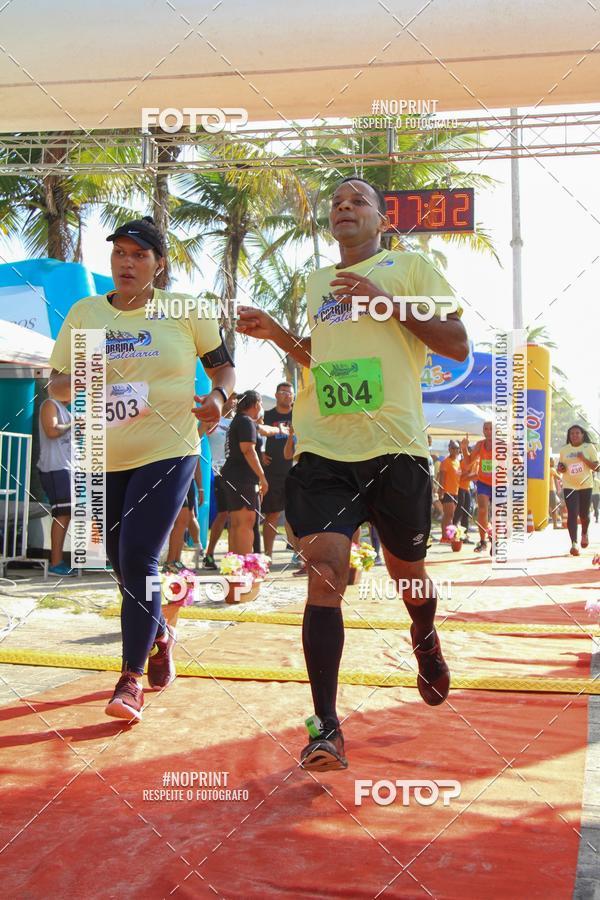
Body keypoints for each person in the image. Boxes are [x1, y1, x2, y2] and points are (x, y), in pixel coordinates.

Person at [238, 176, 468, 771]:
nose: (344, 207)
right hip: (325, 449)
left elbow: (457, 344)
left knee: (407, 573)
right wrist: (279, 334)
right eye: (337, 202)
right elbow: (324, 361)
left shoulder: (409, 267)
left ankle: (425, 637)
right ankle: (326, 728)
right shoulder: (319, 282)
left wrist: (385, 302)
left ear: (381, 219)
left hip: (395, 448)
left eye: (357, 200)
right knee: (326, 571)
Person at [48, 216, 235, 722]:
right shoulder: (86, 313)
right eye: (119, 254)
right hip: (103, 454)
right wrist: (87, 373)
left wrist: (218, 398)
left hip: (169, 449)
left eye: (139, 255)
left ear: (159, 264)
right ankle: (160, 636)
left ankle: (129, 680)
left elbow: (222, 367)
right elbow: (56, 384)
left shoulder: (185, 310)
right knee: (120, 561)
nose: (126, 263)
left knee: (139, 556)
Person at [220, 390, 268, 554]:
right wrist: (262, 477)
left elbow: (265, 430)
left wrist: (280, 430)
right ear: (256, 404)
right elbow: (248, 450)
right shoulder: (245, 422)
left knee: (236, 523)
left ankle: (235, 564)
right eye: (261, 404)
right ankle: (245, 564)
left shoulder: (239, 421)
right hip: (242, 478)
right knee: (245, 522)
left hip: (233, 476)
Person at [37, 396, 75, 576]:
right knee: (62, 513)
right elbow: (51, 431)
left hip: (67, 468)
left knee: (66, 513)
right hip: (55, 468)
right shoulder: (50, 404)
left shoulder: (65, 410)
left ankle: (59, 561)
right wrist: (73, 424)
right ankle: (56, 562)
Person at [201, 394, 237, 569]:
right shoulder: (214, 420)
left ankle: (233, 559)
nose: (233, 401)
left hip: (238, 474)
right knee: (224, 514)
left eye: (236, 399)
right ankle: (209, 555)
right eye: (230, 398)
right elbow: (197, 435)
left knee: (235, 515)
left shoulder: (239, 421)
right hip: (220, 472)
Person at [261, 382, 294, 557]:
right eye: (283, 392)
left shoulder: (299, 415)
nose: (287, 395)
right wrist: (260, 452)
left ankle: (299, 555)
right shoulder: (267, 415)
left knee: (296, 513)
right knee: (272, 514)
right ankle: (267, 556)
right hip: (273, 471)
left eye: (290, 393)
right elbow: (254, 434)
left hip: (296, 471)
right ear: (276, 395)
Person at [557, 425, 599, 555]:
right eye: (572, 434)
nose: (574, 436)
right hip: (569, 485)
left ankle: (584, 533)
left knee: (584, 514)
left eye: (577, 433)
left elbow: (597, 467)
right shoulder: (564, 450)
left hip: (585, 485)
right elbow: (561, 467)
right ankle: (574, 543)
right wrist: (560, 468)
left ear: (582, 435)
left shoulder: (589, 447)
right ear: (569, 436)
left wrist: (583, 459)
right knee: (572, 513)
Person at [163, 459, 203, 572]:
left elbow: (196, 461)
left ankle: (176, 561)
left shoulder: (195, 447)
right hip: (175, 477)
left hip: (188, 480)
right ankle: (170, 562)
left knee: (184, 521)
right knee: (181, 520)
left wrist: (200, 488)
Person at [461, 422, 493, 553]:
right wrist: (464, 448)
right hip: (483, 482)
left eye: (491, 429)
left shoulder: (502, 445)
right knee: (482, 510)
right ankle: (483, 541)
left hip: (499, 483)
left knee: (499, 513)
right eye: (486, 429)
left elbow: (516, 459)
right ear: (483, 431)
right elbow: (469, 462)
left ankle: (496, 540)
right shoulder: (480, 445)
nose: (489, 431)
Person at [438, 441, 461, 543]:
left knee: (450, 515)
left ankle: (447, 536)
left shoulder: (457, 462)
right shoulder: (446, 462)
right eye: (453, 448)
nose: (455, 450)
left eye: (457, 448)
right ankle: (445, 536)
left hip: (455, 492)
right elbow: (442, 478)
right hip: (447, 491)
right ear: (449, 449)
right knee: (448, 515)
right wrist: (441, 491)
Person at [454, 446, 475, 542]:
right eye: (468, 453)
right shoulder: (462, 462)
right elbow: (460, 477)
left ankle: (464, 535)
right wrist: (470, 474)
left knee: (466, 513)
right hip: (460, 488)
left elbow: (474, 475)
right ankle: (453, 534)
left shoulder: (475, 462)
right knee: (458, 512)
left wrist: (472, 475)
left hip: (467, 489)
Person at [548, 457, 562, 529]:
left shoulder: (546, 469)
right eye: (552, 461)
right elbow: (559, 477)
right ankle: (555, 525)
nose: (553, 462)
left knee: (550, 508)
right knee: (554, 508)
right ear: (549, 462)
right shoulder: (552, 469)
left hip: (547, 490)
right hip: (551, 490)